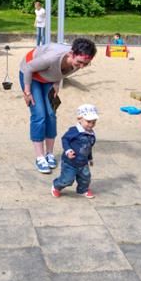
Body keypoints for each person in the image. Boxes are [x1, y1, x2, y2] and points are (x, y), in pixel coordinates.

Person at [19, 38, 97, 173]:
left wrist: (56, 84)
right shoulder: (52, 57)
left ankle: (49, 153)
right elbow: (29, 68)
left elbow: (62, 72)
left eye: (86, 63)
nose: (82, 66)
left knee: (50, 114)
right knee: (39, 115)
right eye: (80, 62)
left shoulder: (79, 62)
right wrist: (27, 92)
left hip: (48, 78)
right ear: (71, 54)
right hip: (31, 74)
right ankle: (40, 157)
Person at [51, 104, 98, 198]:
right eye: (88, 121)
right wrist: (68, 150)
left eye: (94, 122)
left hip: (83, 162)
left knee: (85, 178)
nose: (91, 124)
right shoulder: (74, 131)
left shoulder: (91, 134)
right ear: (79, 119)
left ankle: (82, 189)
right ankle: (56, 186)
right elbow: (65, 139)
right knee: (67, 179)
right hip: (70, 162)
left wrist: (90, 158)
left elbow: (88, 147)